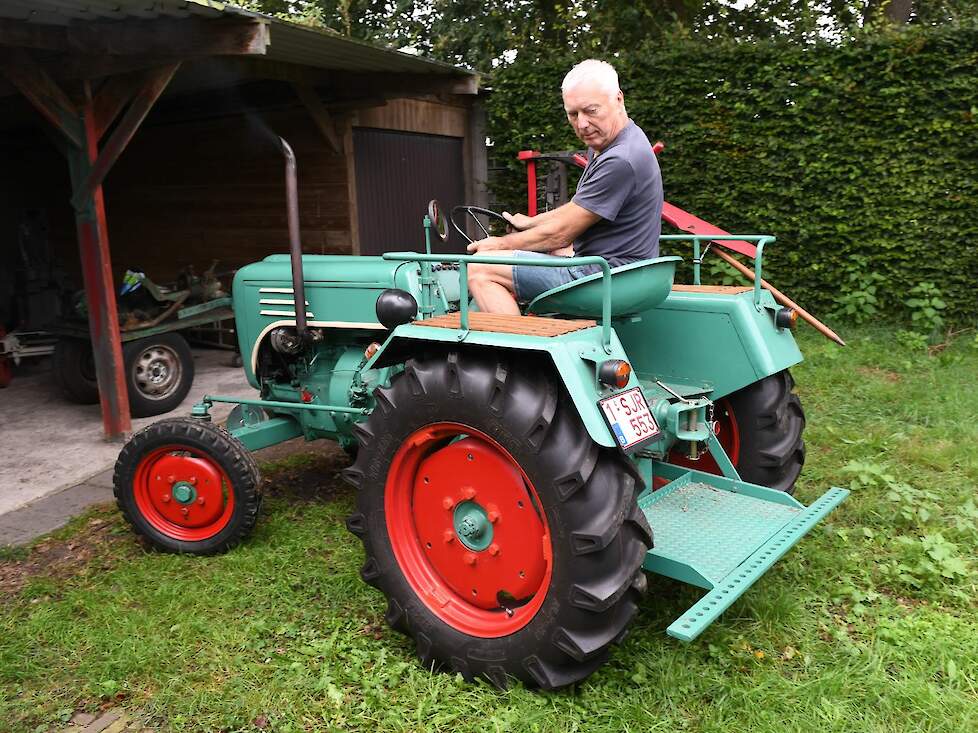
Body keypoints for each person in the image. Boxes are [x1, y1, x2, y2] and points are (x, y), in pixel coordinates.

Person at [466, 58, 664, 315]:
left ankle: (521, 354)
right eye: (573, 114)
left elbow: (561, 233)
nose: (581, 124)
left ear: (618, 99)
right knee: (554, 251)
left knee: (480, 267)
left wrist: (501, 245)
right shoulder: (612, 143)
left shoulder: (620, 159)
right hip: (622, 274)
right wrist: (531, 223)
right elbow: (577, 210)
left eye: (591, 110)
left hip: (609, 278)